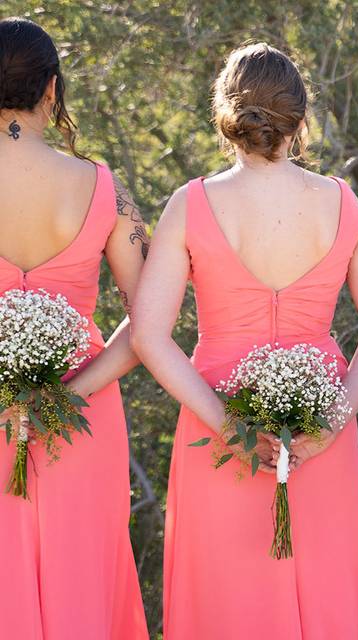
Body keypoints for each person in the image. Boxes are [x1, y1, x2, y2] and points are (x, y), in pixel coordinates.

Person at [131, 43, 358, 639]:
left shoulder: (191, 205)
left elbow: (149, 336)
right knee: (327, 595)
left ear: (226, 115)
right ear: (301, 123)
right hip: (320, 430)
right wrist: (329, 421)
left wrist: (226, 422)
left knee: (227, 604)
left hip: (216, 428)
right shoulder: (343, 203)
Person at [0, 17, 149, 639]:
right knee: (83, 584)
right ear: (51, 91)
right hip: (82, 419)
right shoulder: (104, 189)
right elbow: (149, 324)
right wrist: (69, 393)